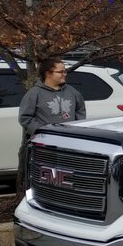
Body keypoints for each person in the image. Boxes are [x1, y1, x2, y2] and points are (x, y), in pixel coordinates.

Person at [17, 58, 87, 187]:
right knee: (49, 179)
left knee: (69, 178)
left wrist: (77, 130)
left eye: (65, 71)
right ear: (48, 73)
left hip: (69, 145)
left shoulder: (72, 92)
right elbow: (25, 118)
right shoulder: (34, 93)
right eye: (60, 72)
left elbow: (80, 111)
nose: (64, 74)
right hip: (46, 147)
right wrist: (42, 132)